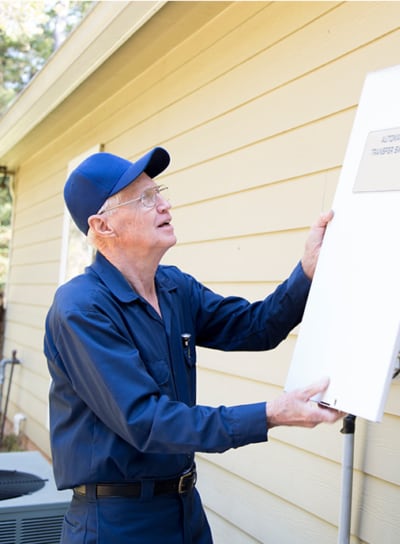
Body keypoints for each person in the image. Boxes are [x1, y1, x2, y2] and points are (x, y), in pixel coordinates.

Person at [43, 146, 341, 544]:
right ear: (104, 226)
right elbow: (147, 421)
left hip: (184, 511)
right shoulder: (80, 308)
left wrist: (306, 272)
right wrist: (271, 413)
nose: (164, 205)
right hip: (115, 524)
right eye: (146, 198)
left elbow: (256, 327)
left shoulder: (174, 288)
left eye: (160, 191)